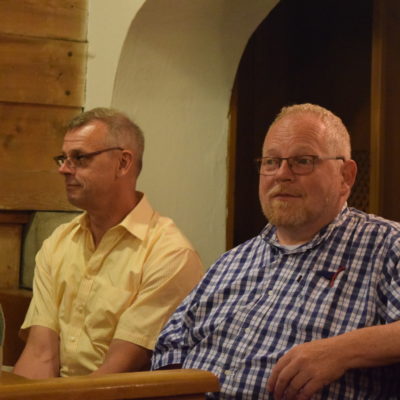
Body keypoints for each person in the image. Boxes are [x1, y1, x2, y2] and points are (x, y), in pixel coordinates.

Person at [152, 103, 400, 399]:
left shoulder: (387, 245)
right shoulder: (232, 261)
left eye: (303, 161)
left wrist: (342, 350)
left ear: (346, 175)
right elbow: (170, 347)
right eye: (271, 162)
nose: (282, 174)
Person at [13, 108, 203, 378]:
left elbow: (115, 374)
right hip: (62, 393)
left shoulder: (170, 253)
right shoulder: (58, 242)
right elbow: (40, 355)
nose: (63, 169)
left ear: (123, 163)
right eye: (63, 158)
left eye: (79, 158)